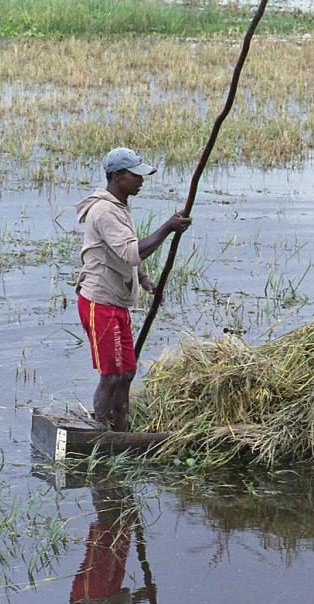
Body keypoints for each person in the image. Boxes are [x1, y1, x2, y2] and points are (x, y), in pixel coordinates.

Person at [75, 146, 192, 431]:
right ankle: (100, 432)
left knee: (126, 371)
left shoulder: (119, 205)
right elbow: (130, 252)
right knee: (111, 375)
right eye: (135, 175)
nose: (141, 180)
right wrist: (167, 227)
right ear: (117, 176)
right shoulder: (104, 211)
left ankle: (122, 428)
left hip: (116, 302)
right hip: (99, 302)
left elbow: (118, 253)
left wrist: (143, 280)